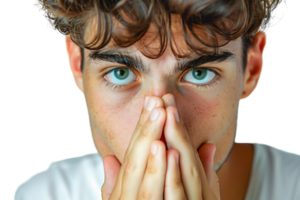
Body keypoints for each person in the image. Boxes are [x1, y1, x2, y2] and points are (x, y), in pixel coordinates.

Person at [13, 0, 298, 200]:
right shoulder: (41, 195)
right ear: (77, 64)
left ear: (251, 67)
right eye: (120, 73)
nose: (160, 130)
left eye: (200, 73)